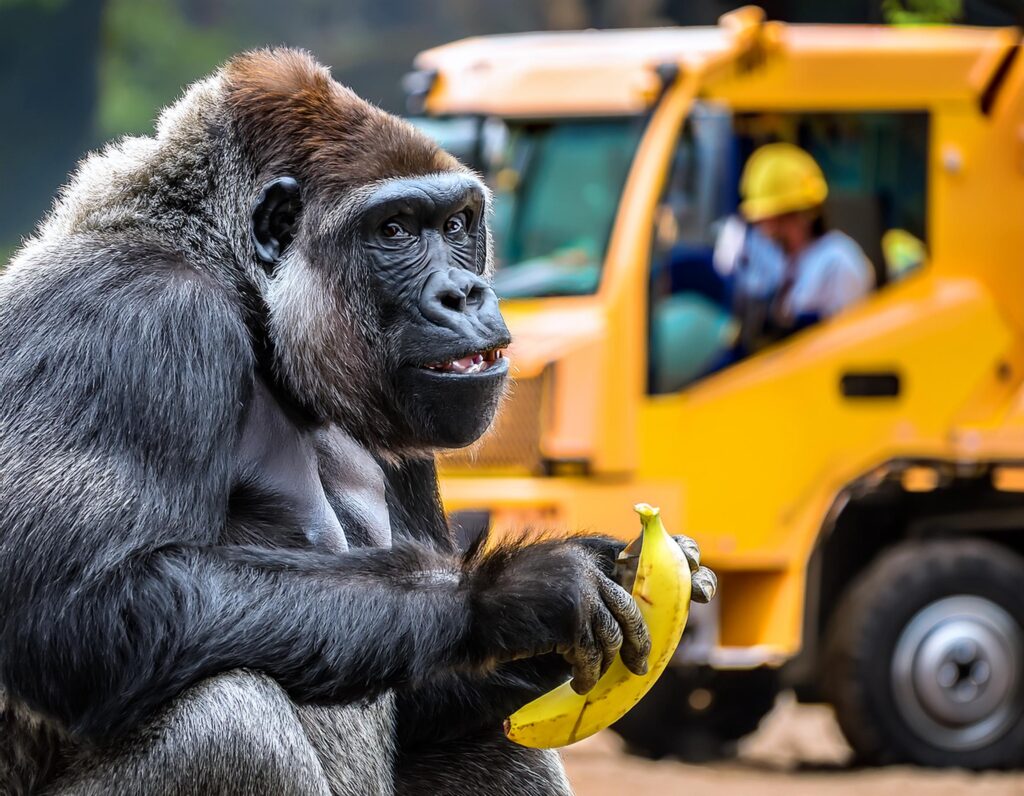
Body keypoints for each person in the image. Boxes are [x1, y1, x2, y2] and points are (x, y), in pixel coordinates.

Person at [714, 142, 874, 355]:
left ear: (803, 215)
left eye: (771, 221)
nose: (765, 233)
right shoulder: (787, 261)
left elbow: (847, 348)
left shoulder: (839, 263)